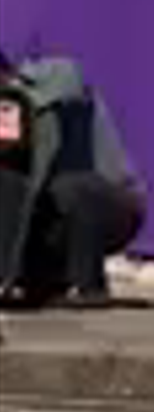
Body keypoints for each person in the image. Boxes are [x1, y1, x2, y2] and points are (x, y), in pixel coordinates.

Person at [0, 46, 143, 310]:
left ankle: (88, 285)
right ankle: (47, 281)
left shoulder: (48, 79)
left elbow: (72, 76)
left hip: (111, 204)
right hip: (48, 212)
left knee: (69, 188)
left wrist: (24, 103)